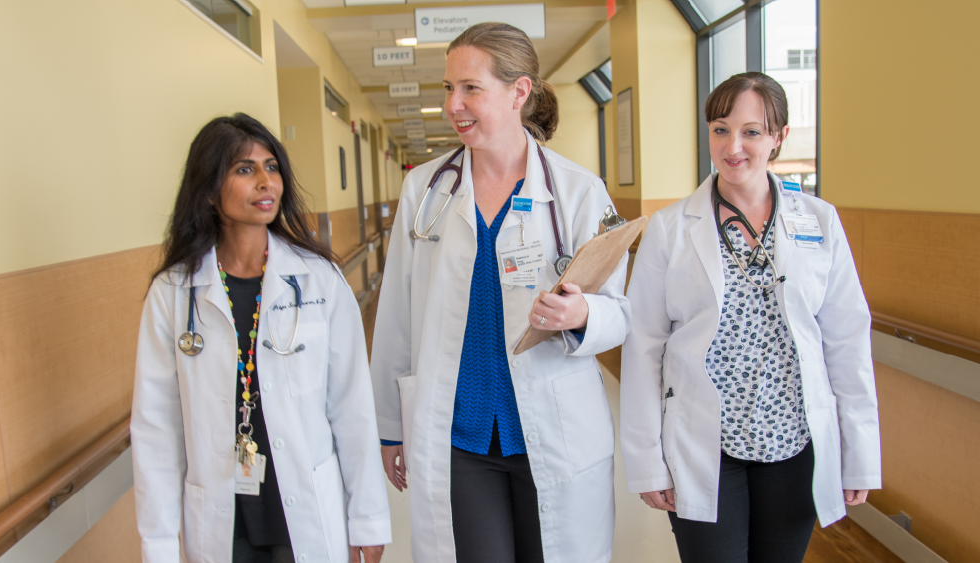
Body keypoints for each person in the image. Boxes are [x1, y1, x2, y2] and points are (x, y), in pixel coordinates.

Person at [370, 22, 630, 563]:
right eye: (448, 88)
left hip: (553, 431)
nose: (454, 105)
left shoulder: (578, 191)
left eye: (470, 88)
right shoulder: (426, 189)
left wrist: (582, 313)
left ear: (519, 92)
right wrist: (389, 427)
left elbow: (620, 313)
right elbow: (396, 313)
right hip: (461, 433)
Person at [620, 72, 881, 563]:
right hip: (703, 445)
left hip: (794, 443)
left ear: (779, 137)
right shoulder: (671, 227)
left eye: (751, 131)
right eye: (720, 129)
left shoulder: (818, 221)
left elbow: (847, 340)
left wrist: (859, 455)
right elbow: (643, 347)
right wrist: (646, 462)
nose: (733, 146)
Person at [131, 113, 391, 563]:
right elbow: (156, 427)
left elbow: (351, 404)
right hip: (222, 515)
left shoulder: (317, 280)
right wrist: (157, 543)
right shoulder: (173, 293)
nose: (265, 182)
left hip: (303, 507)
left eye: (271, 167)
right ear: (210, 190)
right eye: (244, 169)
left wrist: (367, 517)